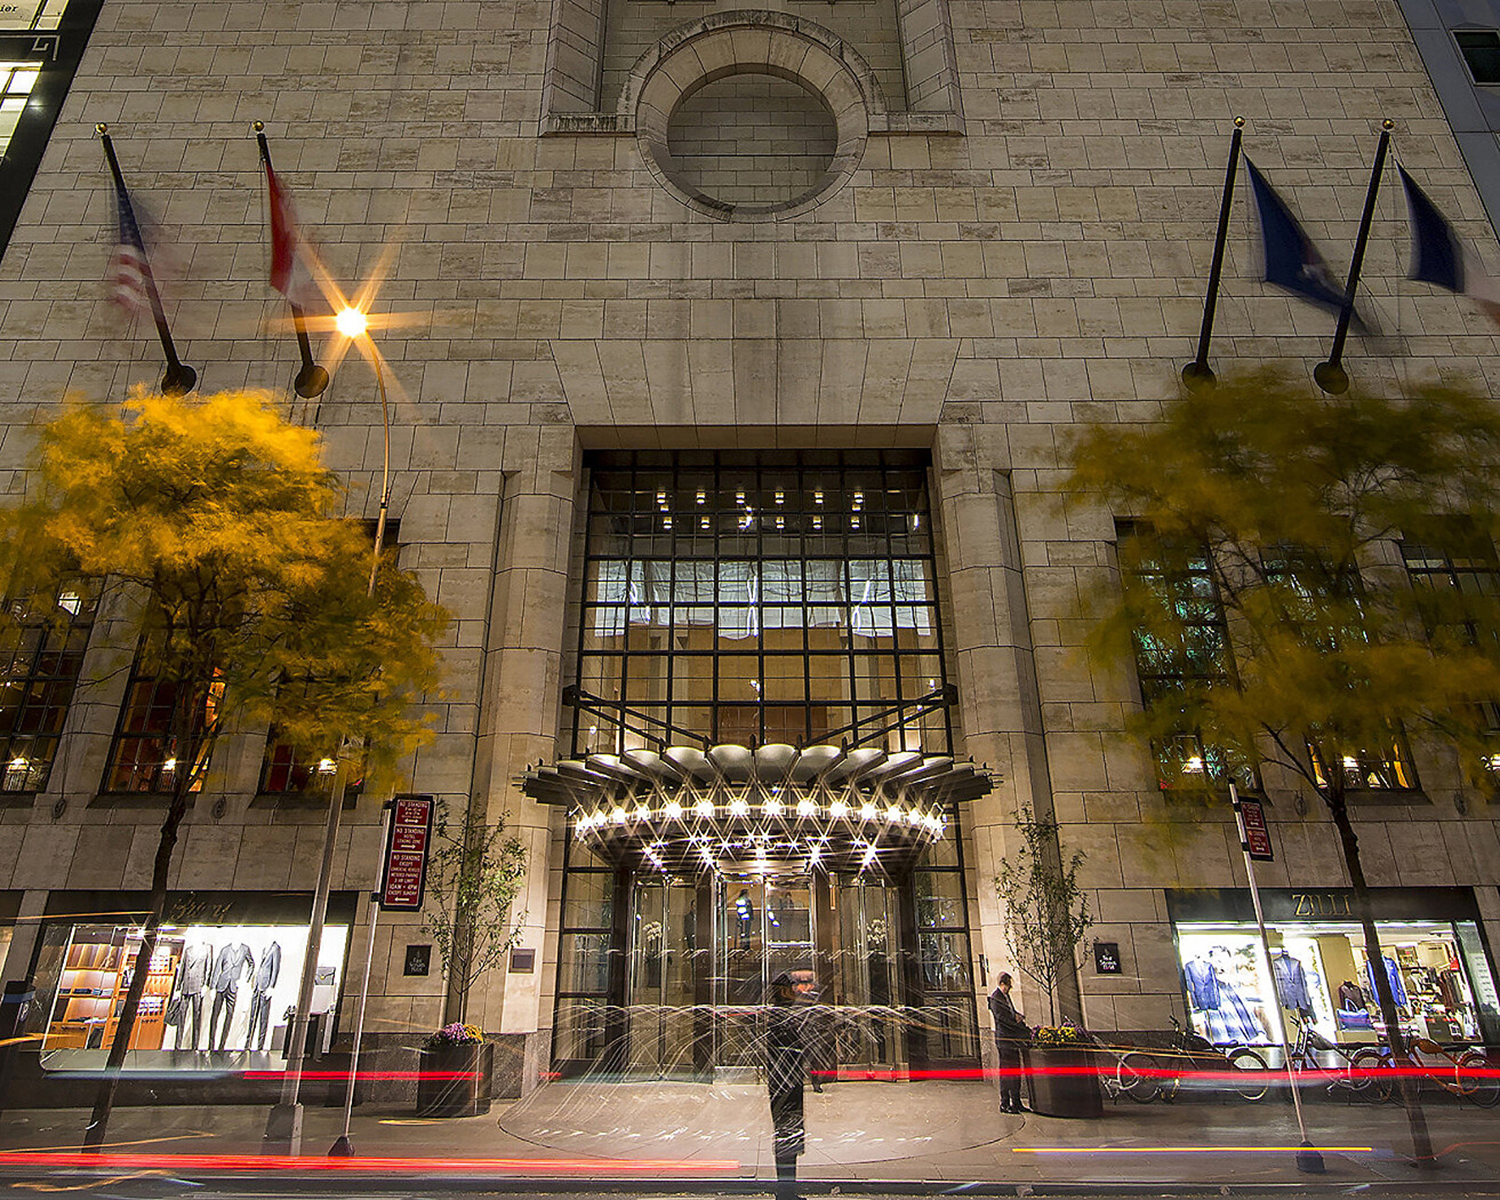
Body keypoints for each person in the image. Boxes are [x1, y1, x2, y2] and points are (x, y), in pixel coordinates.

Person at [766, 973, 805, 1180]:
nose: (796, 992)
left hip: (787, 1085)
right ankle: (786, 1190)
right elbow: (786, 1052)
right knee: (787, 1137)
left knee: (790, 1137)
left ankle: (788, 1188)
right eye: (792, 988)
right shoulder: (780, 1017)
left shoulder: (784, 1015)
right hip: (784, 1087)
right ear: (783, 991)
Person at [987, 972, 1030, 1113]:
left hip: (1012, 1040)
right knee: (1007, 1073)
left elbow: (1010, 1012)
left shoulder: (1005, 997)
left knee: (1015, 1071)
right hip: (1004, 1040)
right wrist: (1014, 1021)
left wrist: (1017, 1015)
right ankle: (1004, 1103)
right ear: (1002, 984)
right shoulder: (995, 998)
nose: (1009, 988)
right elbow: (1001, 1018)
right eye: (1008, 986)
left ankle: (1016, 1102)